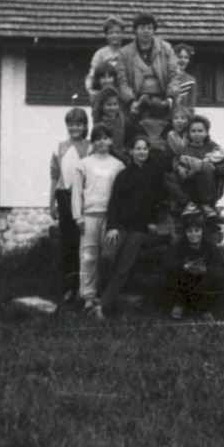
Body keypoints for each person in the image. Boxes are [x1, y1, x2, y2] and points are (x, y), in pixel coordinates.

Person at [98, 132, 170, 316]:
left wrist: (153, 222)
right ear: (131, 151)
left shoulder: (155, 171)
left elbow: (158, 198)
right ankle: (97, 295)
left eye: (145, 149)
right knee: (107, 256)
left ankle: (102, 306)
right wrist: (112, 227)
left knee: (123, 267)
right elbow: (113, 203)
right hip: (120, 227)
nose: (142, 152)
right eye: (138, 149)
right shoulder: (123, 175)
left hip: (139, 229)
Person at [72, 124, 125, 320]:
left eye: (106, 138)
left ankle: (104, 296)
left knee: (108, 257)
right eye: (98, 138)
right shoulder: (84, 164)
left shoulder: (118, 165)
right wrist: (78, 216)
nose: (102, 142)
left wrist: (118, 220)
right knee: (88, 257)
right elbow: (76, 193)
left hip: (110, 218)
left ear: (111, 141)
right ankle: (87, 296)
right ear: (93, 141)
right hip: (89, 215)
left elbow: (121, 195)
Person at [48, 106, 91, 303]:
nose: (75, 128)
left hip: (83, 200)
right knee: (68, 243)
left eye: (79, 124)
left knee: (85, 243)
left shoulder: (89, 147)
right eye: (71, 124)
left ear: (85, 126)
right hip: (63, 198)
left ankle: (86, 287)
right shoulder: (60, 147)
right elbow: (55, 177)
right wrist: (51, 204)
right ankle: (69, 288)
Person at [167, 113, 224, 224]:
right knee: (168, 176)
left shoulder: (213, 148)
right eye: (193, 131)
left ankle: (206, 206)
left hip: (208, 191)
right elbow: (179, 171)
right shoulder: (184, 150)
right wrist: (182, 170)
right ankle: (188, 203)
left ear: (206, 132)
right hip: (190, 188)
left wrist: (214, 168)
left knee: (205, 166)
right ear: (189, 133)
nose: (196, 134)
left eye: (200, 131)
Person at [162, 207, 224, 320]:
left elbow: (223, 268)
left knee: (217, 280)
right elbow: (167, 261)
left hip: (203, 282)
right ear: (185, 233)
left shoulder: (210, 246)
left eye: (197, 230)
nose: (194, 234)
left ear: (202, 232)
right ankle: (179, 306)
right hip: (184, 285)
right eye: (190, 231)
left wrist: (206, 269)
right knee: (177, 275)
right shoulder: (179, 245)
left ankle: (205, 310)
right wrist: (183, 266)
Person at [122, 12, 179, 149]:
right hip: (137, 101)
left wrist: (171, 97)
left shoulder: (166, 49)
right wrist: (131, 101)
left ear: (154, 30)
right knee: (130, 132)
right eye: (142, 28)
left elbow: (174, 76)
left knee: (173, 130)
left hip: (163, 100)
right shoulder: (125, 52)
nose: (146, 31)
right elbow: (122, 81)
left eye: (149, 27)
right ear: (135, 30)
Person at [85, 17, 132, 155]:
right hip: (102, 96)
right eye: (111, 32)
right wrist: (90, 90)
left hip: (119, 95)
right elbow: (91, 74)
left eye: (118, 32)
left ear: (122, 33)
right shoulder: (101, 54)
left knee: (120, 125)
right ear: (106, 35)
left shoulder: (127, 52)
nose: (115, 35)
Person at [168, 44, 198, 113]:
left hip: (182, 119)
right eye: (179, 57)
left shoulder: (190, 80)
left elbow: (191, 107)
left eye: (186, 57)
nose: (183, 60)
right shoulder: (165, 77)